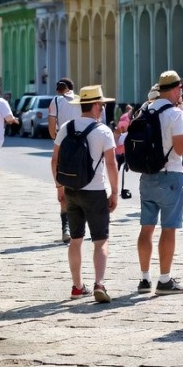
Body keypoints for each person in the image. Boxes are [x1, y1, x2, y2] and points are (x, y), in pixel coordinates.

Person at [51, 84, 118, 303]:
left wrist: (59, 187)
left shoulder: (67, 127)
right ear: (97, 105)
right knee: (100, 240)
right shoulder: (103, 131)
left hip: (71, 190)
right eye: (102, 105)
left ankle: (77, 287)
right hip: (95, 190)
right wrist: (115, 192)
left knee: (76, 240)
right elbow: (111, 163)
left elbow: (55, 160)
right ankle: (99, 283)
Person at [136, 70, 183, 295]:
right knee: (168, 229)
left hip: (147, 175)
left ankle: (144, 279)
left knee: (146, 228)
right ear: (176, 89)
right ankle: (165, 280)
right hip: (170, 175)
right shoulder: (175, 114)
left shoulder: (145, 109)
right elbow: (180, 148)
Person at [48, 78, 81, 244]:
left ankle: (66, 228)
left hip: (64, 144)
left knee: (64, 186)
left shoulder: (55, 100)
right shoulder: (82, 99)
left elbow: (51, 127)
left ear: (58, 90)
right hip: (84, 144)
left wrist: (57, 138)